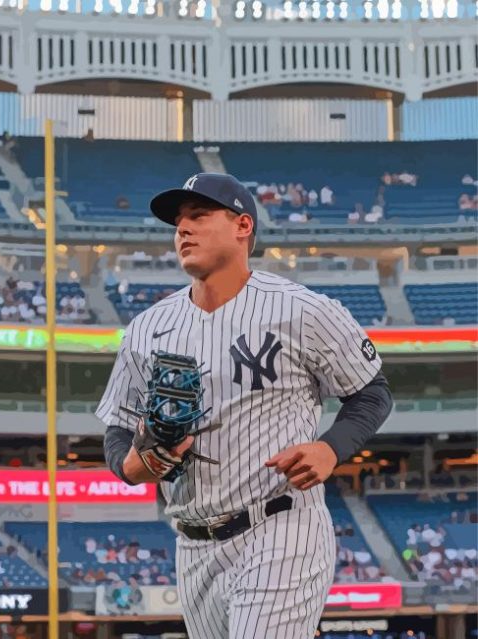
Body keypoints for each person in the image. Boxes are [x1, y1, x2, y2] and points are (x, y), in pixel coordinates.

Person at [97, 172, 393, 639]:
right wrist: (130, 465)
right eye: (178, 222)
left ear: (242, 226)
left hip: (278, 528)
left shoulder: (303, 310)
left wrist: (330, 448)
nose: (183, 230)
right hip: (192, 543)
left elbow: (372, 393)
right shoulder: (147, 328)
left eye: (198, 216)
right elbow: (118, 425)